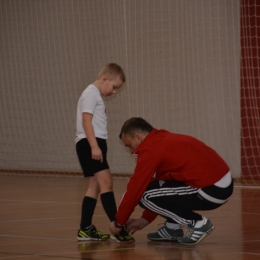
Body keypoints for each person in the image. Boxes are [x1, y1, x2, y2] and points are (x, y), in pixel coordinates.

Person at [109, 117, 233, 245]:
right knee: (157, 188)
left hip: (213, 189)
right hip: (220, 183)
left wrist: (119, 223)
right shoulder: (160, 138)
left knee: (144, 195)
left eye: (129, 145)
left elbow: (135, 191)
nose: (130, 151)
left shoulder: (150, 150)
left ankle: (198, 223)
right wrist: (145, 220)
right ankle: (172, 228)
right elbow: (160, 190)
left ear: (139, 137)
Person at [75, 63, 134, 243]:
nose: (114, 92)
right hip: (90, 142)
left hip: (92, 143)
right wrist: (94, 146)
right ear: (105, 79)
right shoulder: (91, 94)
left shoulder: (94, 95)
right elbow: (86, 121)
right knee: (106, 183)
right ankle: (118, 228)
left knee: (95, 185)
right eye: (114, 87)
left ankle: (85, 229)